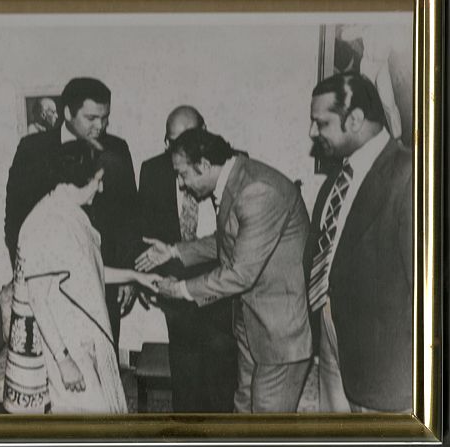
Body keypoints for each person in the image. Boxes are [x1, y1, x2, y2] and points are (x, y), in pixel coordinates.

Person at [136, 129, 312, 413]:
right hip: (250, 324)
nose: (181, 184)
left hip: (279, 333)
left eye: (183, 175)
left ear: (204, 166)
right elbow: (228, 239)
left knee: (266, 423)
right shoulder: (236, 178)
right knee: (242, 407)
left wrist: (181, 290)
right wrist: (173, 250)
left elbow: (240, 273)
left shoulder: (257, 190)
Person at [3, 142, 160, 414]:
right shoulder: (44, 223)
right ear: (74, 181)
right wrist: (64, 362)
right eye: (97, 181)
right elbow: (38, 300)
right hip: (64, 347)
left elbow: (90, 272)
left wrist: (135, 276)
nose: (101, 188)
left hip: (81, 339)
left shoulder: (70, 213)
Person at [4, 78, 140, 348]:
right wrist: (27, 277)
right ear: (67, 113)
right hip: (49, 286)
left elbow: (129, 217)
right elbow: (15, 221)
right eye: (91, 117)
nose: (99, 126)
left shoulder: (117, 150)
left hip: (105, 280)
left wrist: (128, 272)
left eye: (104, 118)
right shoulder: (32, 150)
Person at [306, 72, 412, 413]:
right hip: (332, 338)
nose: (312, 133)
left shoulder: (408, 174)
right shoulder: (336, 180)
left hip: (383, 367)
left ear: (354, 119)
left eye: (321, 123)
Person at [138, 106, 237, 412]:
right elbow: (145, 229)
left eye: (187, 140)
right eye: (171, 142)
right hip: (175, 286)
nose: (178, 151)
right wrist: (143, 274)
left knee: (220, 378)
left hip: (222, 288)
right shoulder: (153, 170)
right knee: (185, 377)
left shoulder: (231, 165)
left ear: (204, 132)